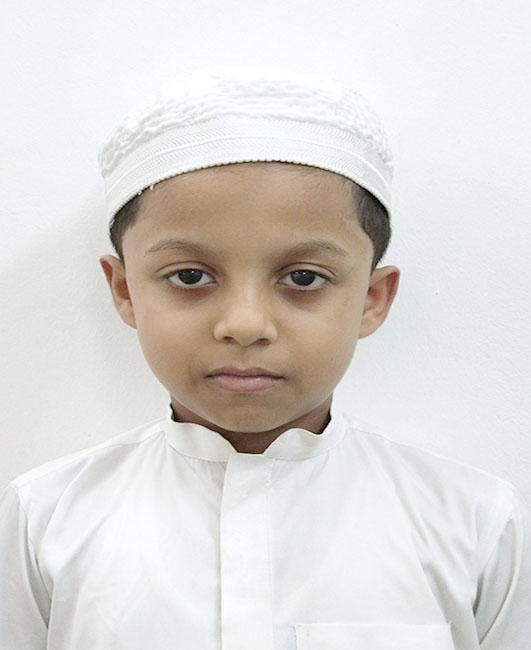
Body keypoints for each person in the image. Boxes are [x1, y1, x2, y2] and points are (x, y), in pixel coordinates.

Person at [0, 64, 528, 650]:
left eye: (303, 277)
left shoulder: (471, 523)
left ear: (371, 299)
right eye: (190, 276)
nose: (246, 325)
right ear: (124, 290)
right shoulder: (46, 519)